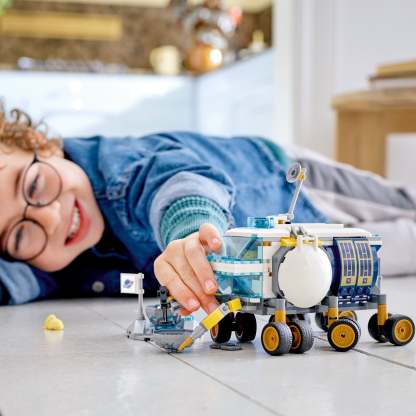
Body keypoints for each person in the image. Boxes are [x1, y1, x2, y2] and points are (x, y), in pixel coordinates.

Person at [0, 105, 415, 311]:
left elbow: (174, 182)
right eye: (19, 233)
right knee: (396, 251)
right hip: (299, 253)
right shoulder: (44, 260)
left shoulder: (118, 167)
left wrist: (190, 234)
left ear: (42, 145)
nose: (49, 218)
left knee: (403, 204)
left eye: (34, 185)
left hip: (283, 180)